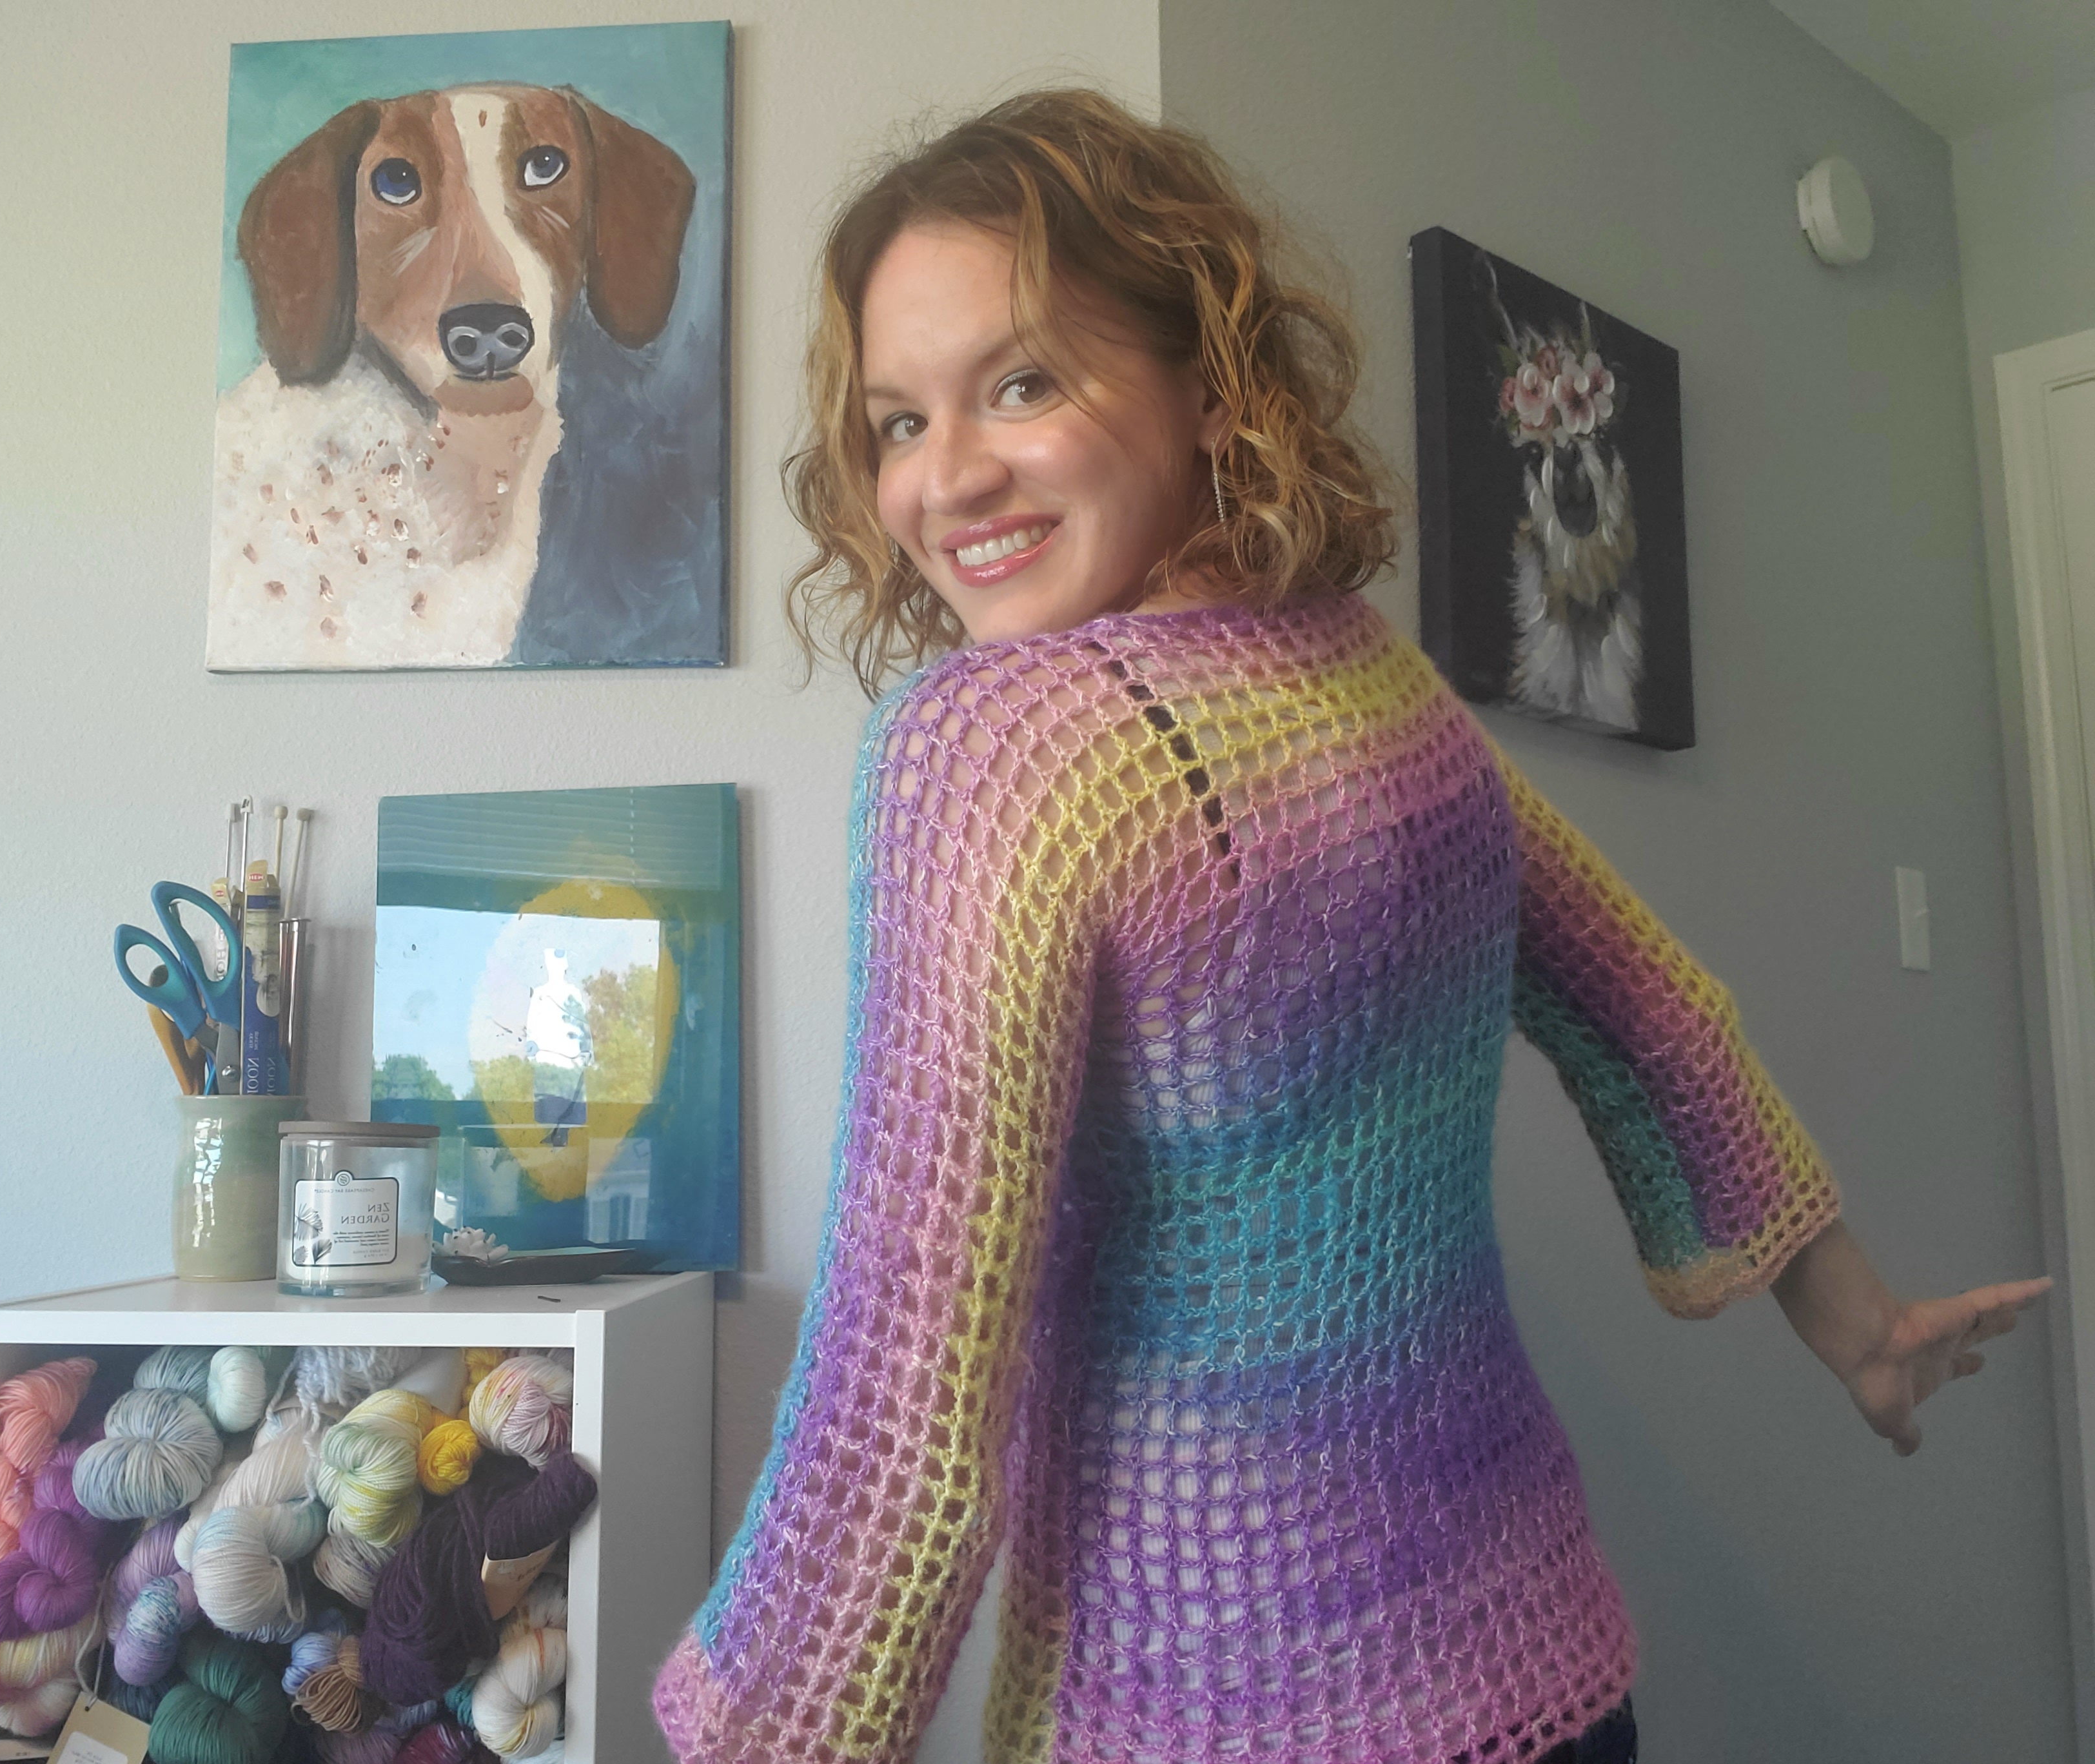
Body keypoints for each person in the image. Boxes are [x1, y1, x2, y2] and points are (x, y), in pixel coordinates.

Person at [653, 90, 2051, 1764]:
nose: (943, 476)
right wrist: (1859, 1325)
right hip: (1540, 1659)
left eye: (1021, 384)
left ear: (1203, 382)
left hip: (1212, 1710)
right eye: (897, 420)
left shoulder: (998, 748)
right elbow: (1655, 1009)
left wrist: (762, 1734)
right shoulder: (1380, 686)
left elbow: (904, 1398)